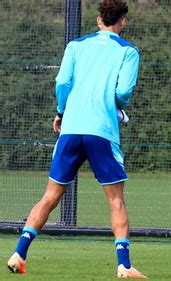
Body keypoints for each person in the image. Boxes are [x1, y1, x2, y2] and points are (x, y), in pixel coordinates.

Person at [7, 0, 146, 278]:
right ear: (122, 22)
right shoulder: (128, 51)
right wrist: (116, 108)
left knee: (49, 196)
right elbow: (123, 92)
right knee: (116, 200)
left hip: (71, 128)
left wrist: (61, 112)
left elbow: (62, 83)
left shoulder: (76, 46)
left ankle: (19, 253)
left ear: (98, 20)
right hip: (101, 131)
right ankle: (124, 265)